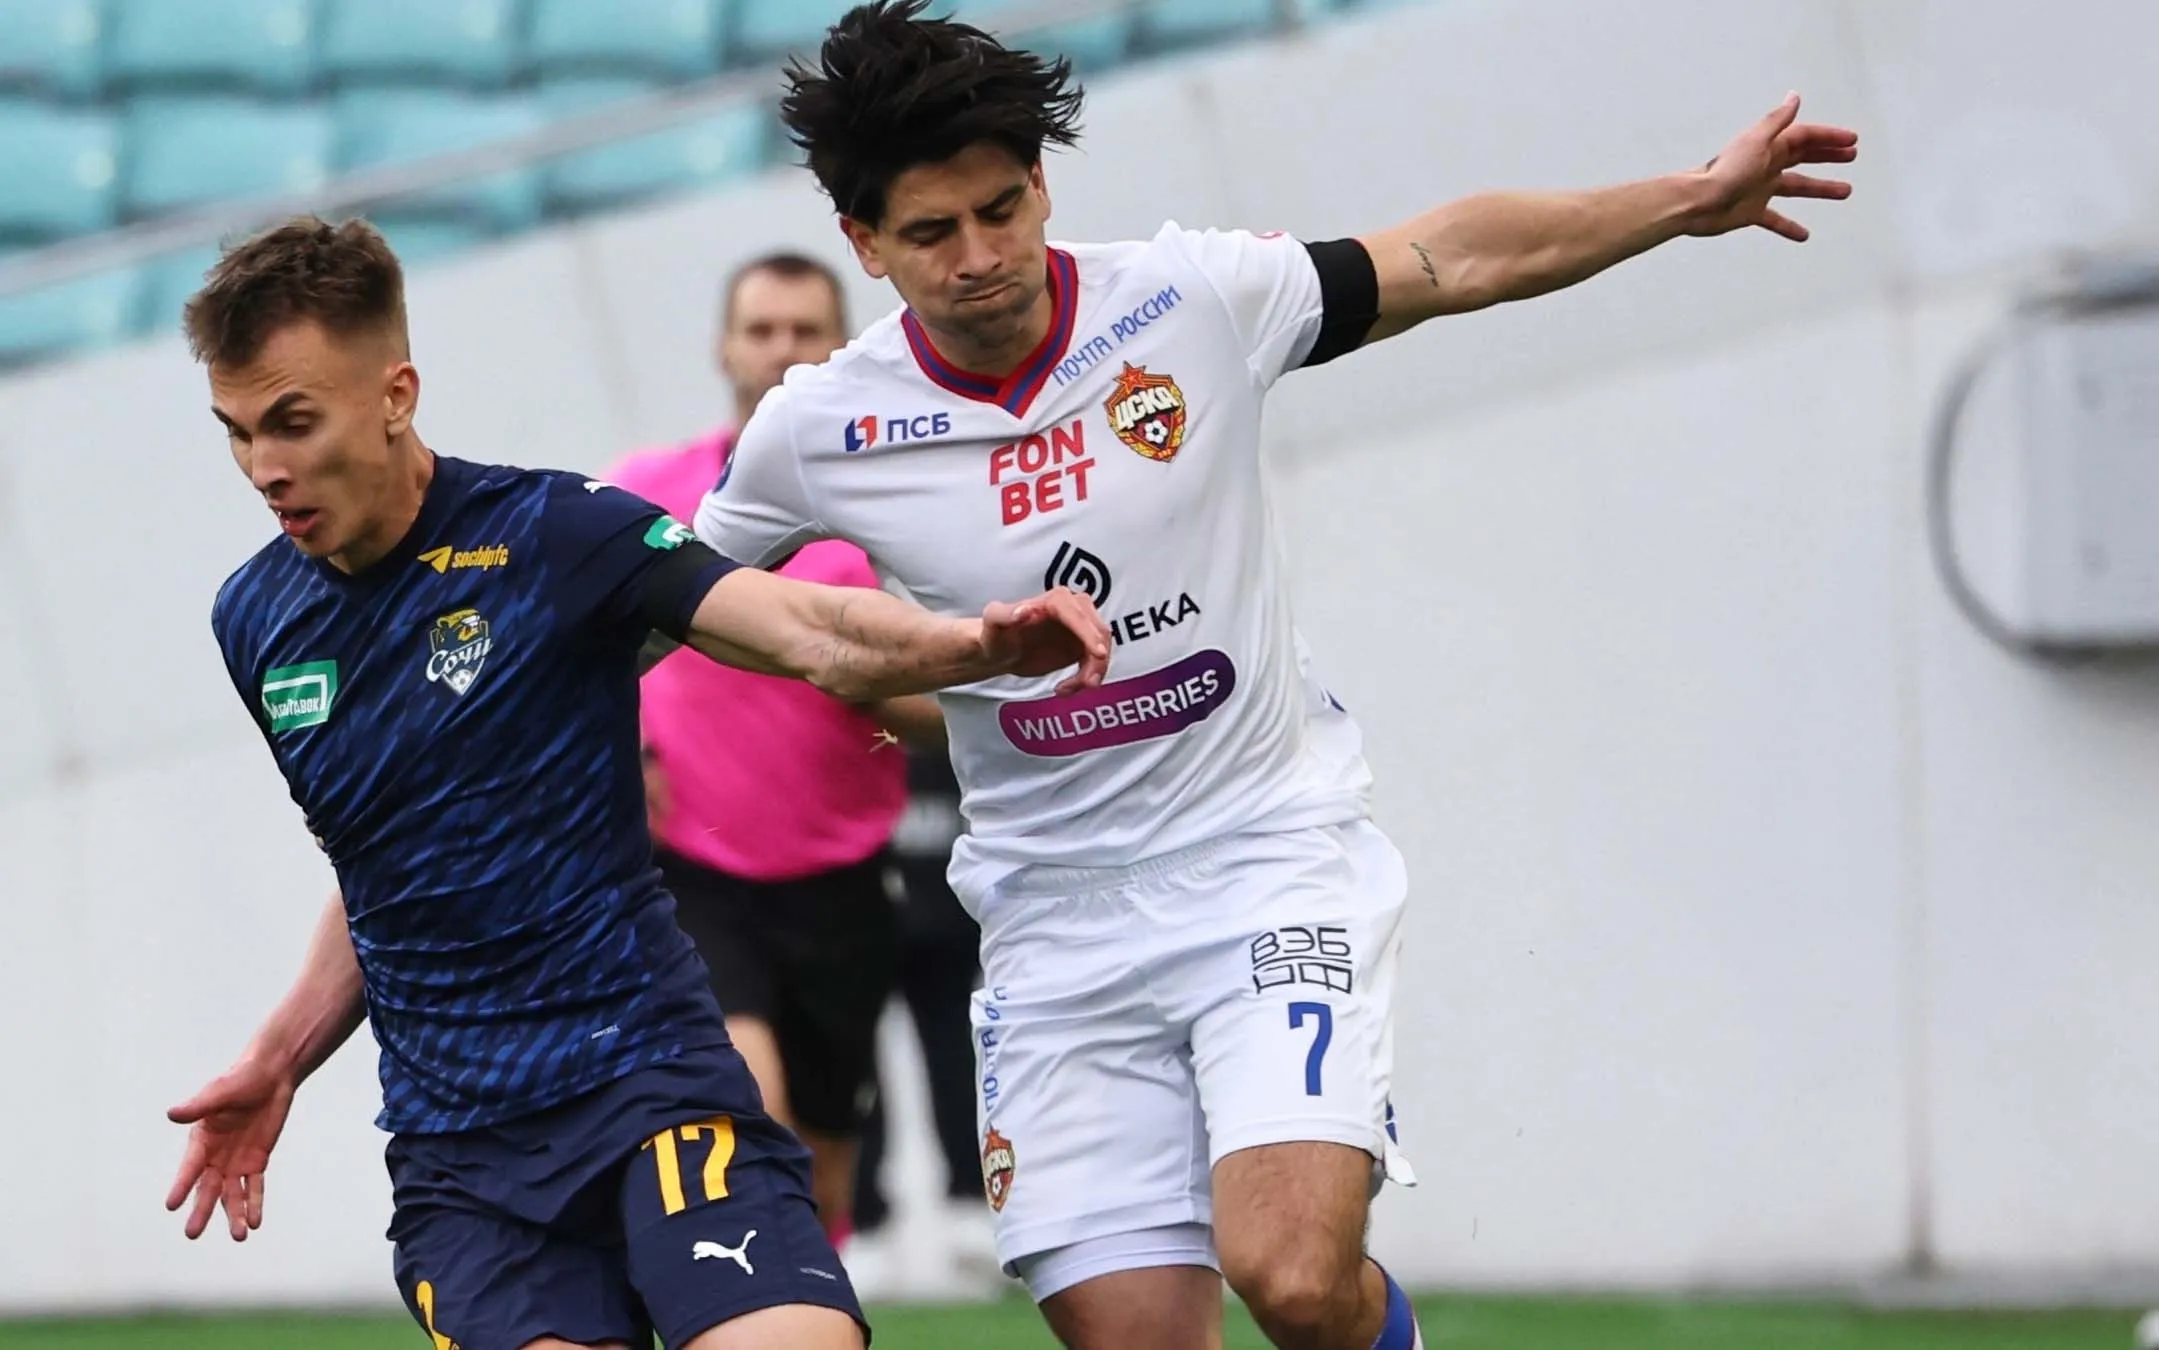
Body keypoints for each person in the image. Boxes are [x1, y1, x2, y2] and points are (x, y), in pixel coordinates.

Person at [693, 4, 1860, 1348]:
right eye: (930, 233)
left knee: (1294, 1277)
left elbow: (1447, 256)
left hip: (1260, 861)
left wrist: (1684, 202)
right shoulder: (817, 425)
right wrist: (874, 656)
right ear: (864, 243)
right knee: (1134, 1334)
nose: (979, 257)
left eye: (1000, 210)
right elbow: (684, 599)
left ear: (1041, 183)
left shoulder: (1185, 299)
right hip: (1051, 920)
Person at [161, 215, 1108, 1350]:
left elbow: (805, 624)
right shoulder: (256, 620)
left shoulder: (555, 533)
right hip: (466, 1162)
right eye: (238, 433)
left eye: (293, 423)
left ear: (396, 394)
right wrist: (276, 1061)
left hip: (651, 1083)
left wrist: (974, 646)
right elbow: (384, 875)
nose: (265, 468)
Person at [607, 250, 937, 1246]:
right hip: (692, 874)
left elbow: (945, 700)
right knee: (753, 1107)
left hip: (840, 878)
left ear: (841, 348)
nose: (780, 350)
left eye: (803, 331)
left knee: (825, 1164)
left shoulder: (895, 511)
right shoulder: (647, 494)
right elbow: (571, 649)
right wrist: (629, 746)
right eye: (760, 330)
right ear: (724, 347)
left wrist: (866, 669)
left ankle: (808, 1291)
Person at [847, 746, 1001, 1297]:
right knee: (855, 1059)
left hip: (943, 909)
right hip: (858, 908)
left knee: (954, 1051)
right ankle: (864, 1221)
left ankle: (972, 1207)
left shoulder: (947, 732)